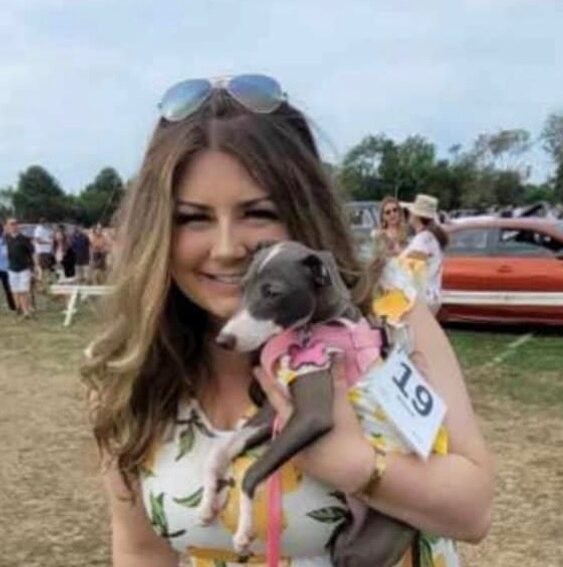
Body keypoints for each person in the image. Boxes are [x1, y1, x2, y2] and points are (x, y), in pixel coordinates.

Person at [82, 75, 493, 567]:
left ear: (301, 213)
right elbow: (140, 550)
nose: (228, 247)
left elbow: (474, 512)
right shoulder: (131, 371)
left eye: (258, 213)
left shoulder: (388, 316)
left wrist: (354, 465)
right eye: (194, 218)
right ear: (158, 229)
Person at [401, 194, 449, 314]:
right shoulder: (431, 237)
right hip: (431, 296)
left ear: (416, 216)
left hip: (421, 298)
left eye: (411, 212)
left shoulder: (423, 240)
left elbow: (409, 267)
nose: (409, 215)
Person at [5, 218, 34, 318]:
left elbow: (32, 252)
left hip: (24, 268)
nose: (13, 226)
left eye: (15, 224)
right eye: (11, 224)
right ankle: (19, 308)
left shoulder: (24, 238)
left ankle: (26, 311)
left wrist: (35, 266)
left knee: (23, 291)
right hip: (12, 268)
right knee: (15, 291)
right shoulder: (6, 238)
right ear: (8, 226)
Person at [33, 218, 54, 288]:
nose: (46, 224)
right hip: (41, 251)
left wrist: (50, 239)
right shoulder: (38, 230)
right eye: (45, 222)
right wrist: (48, 242)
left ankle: (46, 281)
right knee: (41, 268)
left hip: (46, 251)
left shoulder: (45, 229)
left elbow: (50, 237)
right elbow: (37, 240)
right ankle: (41, 284)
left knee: (45, 267)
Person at [0, 222, 17, 312]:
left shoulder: (6, 239)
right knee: (8, 288)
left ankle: (13, 306)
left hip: (5, 267)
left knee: (8, 288)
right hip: (4, 266)